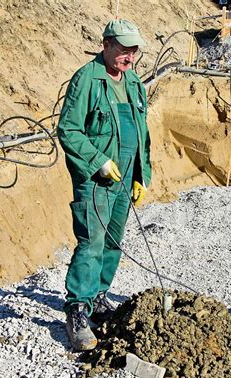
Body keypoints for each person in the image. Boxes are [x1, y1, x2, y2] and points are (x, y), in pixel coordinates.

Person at [57, 19, 151, 351]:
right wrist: (98, 162)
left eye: (134, 51)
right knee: (91, 242)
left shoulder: (135, 82)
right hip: (96, 179)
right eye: (124, 50)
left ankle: (99, 297)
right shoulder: (87, 80)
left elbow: (142, 133)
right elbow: (69, 130)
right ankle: (78, 309)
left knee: (113, 241)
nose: (129, 57)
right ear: (106, 45)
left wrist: (141, 174)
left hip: (125, 177)